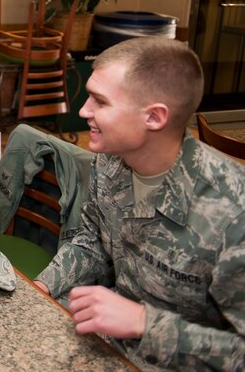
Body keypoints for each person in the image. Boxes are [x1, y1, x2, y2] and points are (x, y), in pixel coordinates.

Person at [33, 37, 244, 371]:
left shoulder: (232, 212)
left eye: (100, 101)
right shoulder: (111, 160)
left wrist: (146, 324)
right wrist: (43, 285)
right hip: (112, 344)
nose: (84, 111)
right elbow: (92, 241)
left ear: (154, 117)